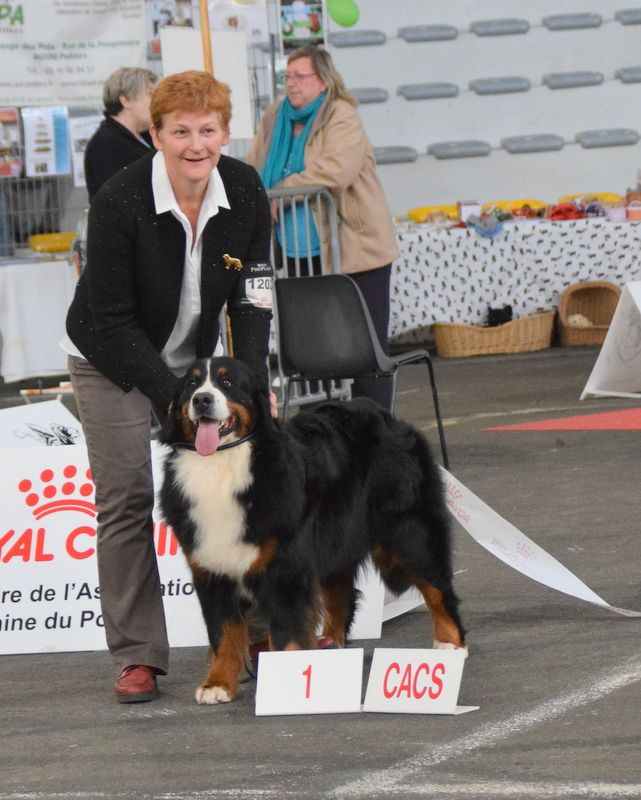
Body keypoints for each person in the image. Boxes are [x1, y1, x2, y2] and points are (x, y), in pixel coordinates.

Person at [63, 70, 274, 703]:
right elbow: (113, 319)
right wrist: (174, 400)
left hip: (197, 362)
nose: (195, 144)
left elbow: (254, 292)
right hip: (109, 355)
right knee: (125, 498)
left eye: (208, 130)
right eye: (179, 131)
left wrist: (253, 383)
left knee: (244, 491)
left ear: (224, 133)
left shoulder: (244, 187)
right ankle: (139, 655)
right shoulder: (120, 199)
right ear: (154, 134)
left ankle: (263, 633)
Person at [247, 45, 399, 410]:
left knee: (365, 347)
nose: (292, 84)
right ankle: (318, 427)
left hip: (355, 249)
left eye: (301, 76)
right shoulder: (274, 117)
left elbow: (335, 171)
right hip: (297, 253)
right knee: (310, 345)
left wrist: (279, 193)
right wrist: (254, 195)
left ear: (324, 80)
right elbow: (254, 165)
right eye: (288, 76)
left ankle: (375, 426)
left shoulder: (340, 115)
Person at [84, 67, 158, 201]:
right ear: (126, 101)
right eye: (150, 94)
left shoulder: (147, 136)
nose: (156, 101)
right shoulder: (105, 145)